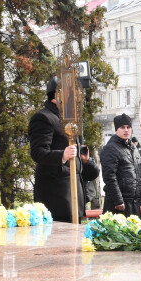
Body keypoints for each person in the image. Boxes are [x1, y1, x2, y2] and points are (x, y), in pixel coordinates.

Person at [29, 76, 99, 223]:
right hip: (56, 198)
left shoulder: (71, 120)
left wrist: (84, 160)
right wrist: (63, 155)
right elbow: (38, 152)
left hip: (75, 198)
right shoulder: (43, 117)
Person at [101, 114, 141, 217]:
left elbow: (138, 176)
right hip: (119, 204)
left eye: (128, 127)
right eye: (122, 127)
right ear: (117, 129)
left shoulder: (133, 149)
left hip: (134, 204)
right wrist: (118, 200)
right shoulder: (110, 149)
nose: (126, 130)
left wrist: (140, 202)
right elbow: (109, 177)